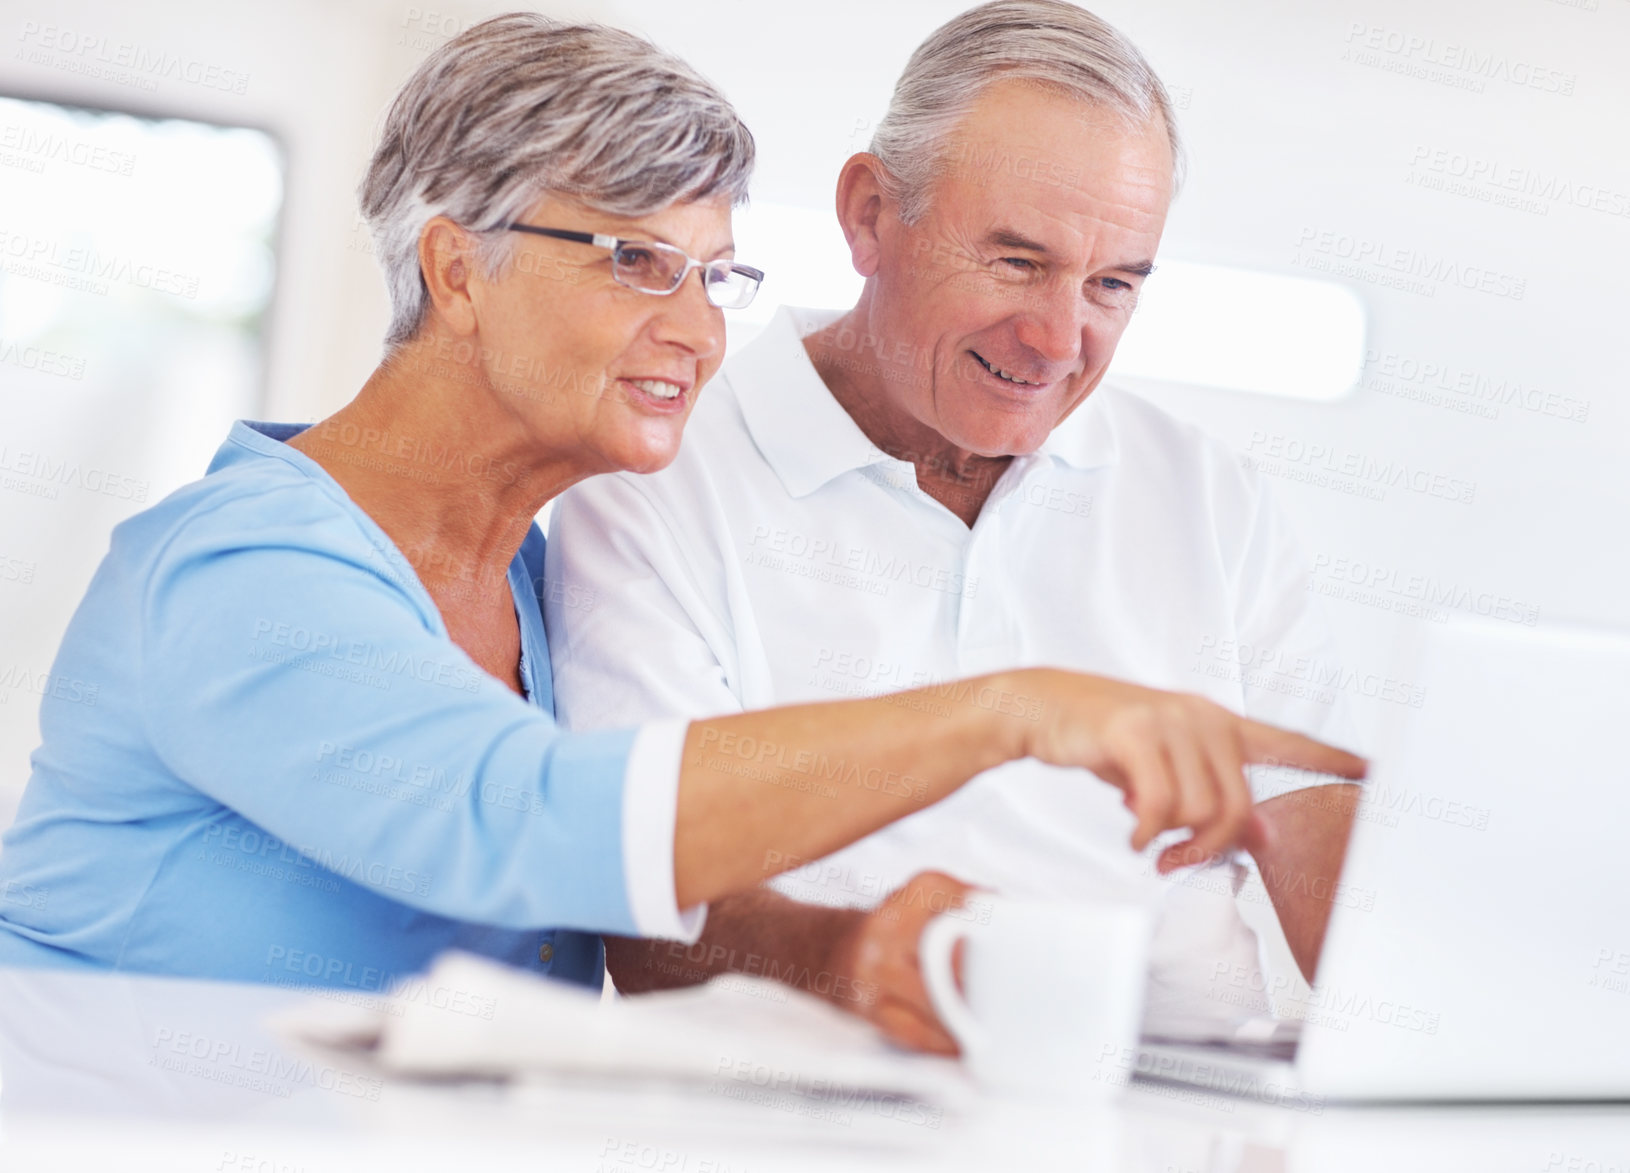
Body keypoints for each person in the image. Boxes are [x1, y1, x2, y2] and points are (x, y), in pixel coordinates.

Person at [0, 14, 1362, 992]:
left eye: (715, 277)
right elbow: (528, 822)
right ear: (455, 271)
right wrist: (1012, 710)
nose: (696, 333)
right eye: (638, 261)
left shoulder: (528, 580)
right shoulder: (234, 566)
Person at [547, 0, 1369, 1049]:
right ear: (869, 215)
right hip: (822, 1111)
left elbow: (1347, 885)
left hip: (1180, 1112)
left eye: (1112, 284)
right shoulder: (655, 477)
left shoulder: (1213, 499)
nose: (1056, 340)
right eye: (1015, 262)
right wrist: (864, 969)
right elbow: (652, 916)